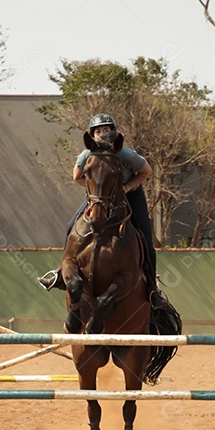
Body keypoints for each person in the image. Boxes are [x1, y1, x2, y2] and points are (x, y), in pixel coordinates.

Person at [38, 113, 168, 308]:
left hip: (130, 193)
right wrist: (96, 192)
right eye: (98, 131)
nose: (102, 134)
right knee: (71, 226)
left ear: (113, 132)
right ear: (93, 136)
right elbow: (77, 177)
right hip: (102, 197)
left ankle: (151, 290)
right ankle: (60, 275)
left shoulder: (125, 153)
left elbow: (146, 171)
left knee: (146, 237)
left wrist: (125, 188)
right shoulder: (86, 155)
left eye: (106, 130)